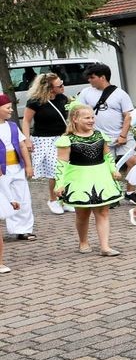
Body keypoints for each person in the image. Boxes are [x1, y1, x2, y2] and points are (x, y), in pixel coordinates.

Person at [54, 102, 122, 256]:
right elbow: (62, 164)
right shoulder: (67, 140)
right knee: (82, 213)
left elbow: (107, 155)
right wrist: (59, 184)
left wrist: (113, 170)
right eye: (86, 118)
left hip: (100, 176)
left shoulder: (100, 135)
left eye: (92, 117)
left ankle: (105, 247)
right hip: (79, 178)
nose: (91, 120)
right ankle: (83, 241)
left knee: (103, 211)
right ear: (75, 119)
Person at [76, 64, 136, 206]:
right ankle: (111, 194)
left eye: (92, 77)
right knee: (106, 167)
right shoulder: (86, 93)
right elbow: (78, 113)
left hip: (122, 135)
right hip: (101, 137)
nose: (89, 80)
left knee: (133, 161)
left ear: (102, 77)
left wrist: (123, 135)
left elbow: (128, 115)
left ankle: (130, 192)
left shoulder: (120, 94)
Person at [22, 73, 71, 215]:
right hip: (44, 139)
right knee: (55, 170)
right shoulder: (35, 101)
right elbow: (26, 121)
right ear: (49, 88)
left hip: (61, 137)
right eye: (59, 85)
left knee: (66, 169)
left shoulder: (62, 98)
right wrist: (27, 139)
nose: (63, 86)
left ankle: (65, 199)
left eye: (62, 83)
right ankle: (53, 199)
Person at [0, 95, 35, 241]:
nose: (11, 110)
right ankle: (14, 227)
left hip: (17, 167)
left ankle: (24, 229)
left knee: (23, 197)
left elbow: (22, 145)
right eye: (7, 108)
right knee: (8, 198)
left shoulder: (13, 126)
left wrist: (28, 165)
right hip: (2, 170)